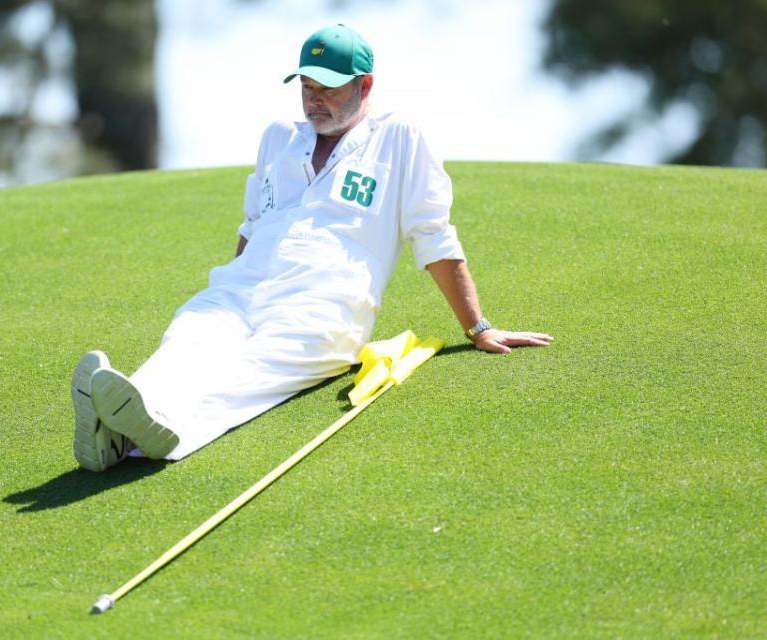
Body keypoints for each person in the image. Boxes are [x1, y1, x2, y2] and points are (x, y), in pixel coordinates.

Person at [70, 24, 553, 471]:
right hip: (245, 288)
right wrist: (230, 291)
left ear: (364, 86)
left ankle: (165, 433)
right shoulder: (279, 138)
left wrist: (478, 327)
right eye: (306, 86)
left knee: (252, 368)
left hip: (326, 307)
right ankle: (117, 426)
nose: (314, 100)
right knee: (192, 332)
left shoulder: (401, 138)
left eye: (329, 88)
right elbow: (253, 222)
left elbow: (434, 235)